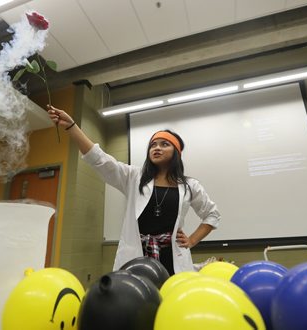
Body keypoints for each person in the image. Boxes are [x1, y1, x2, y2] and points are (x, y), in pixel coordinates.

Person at [47, 105, 221, 275]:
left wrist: (192, 240)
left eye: (164, 144)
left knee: (170, 300)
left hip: (173, 260)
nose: (157, 148)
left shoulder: (190, 186)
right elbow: (100, 160)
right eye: (153, 145)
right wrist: (72, 127)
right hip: (137, 258)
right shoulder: (134, 177)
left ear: (176, 153)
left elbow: (212, 214)